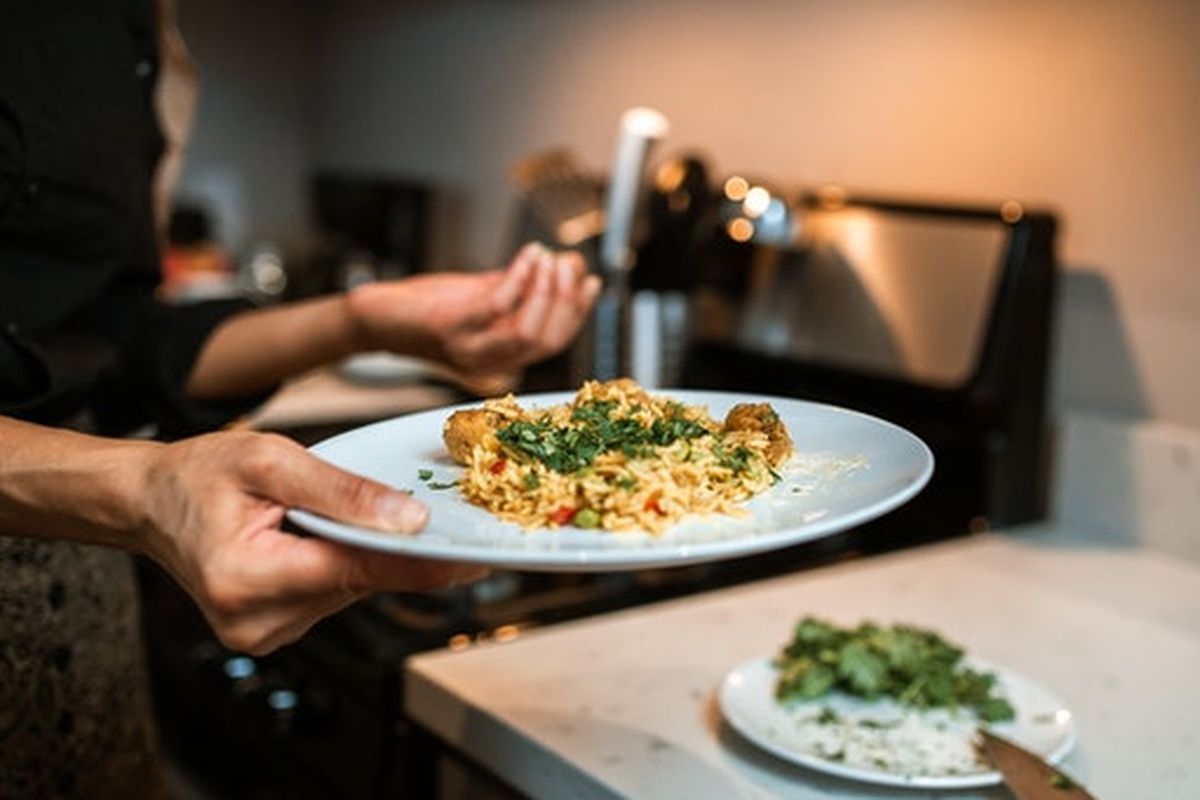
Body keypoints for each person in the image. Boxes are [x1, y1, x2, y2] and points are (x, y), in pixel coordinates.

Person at [0, 1, 600, 797]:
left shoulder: (131, 26)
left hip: (81, 595)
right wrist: (140, 488)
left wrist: (368, 320)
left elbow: (109, 341)